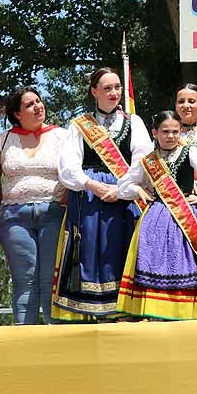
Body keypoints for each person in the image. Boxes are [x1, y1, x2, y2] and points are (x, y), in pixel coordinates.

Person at [54, 67, 153, 321]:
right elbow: (67, 167)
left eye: (117, 87)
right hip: (89, 198)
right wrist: (91, 184)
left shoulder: (135, 122)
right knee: (90, 249)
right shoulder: (79, 125)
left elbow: (142, 161)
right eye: (107, 88)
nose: (114, 93)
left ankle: (126, 311)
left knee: (122, 246)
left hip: (123, 196)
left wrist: (121, 190)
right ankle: (95, 313)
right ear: (94, 91)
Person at [115, 111, 197, 320]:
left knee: (184, 260)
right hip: (156, 217)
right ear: (154, 132)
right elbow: (123, 186)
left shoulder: (191, 152)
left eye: (176, 131)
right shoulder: (147, 160)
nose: (171, 136)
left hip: (186, 214)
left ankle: (184, 309)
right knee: (154, 261)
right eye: (165, 131)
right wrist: (137, 190)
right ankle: (156, 311)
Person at [0, 87, 66, 324]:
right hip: (15, 217)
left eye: (39, 101)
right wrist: (0, 212)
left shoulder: (62, 136)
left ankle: (56, 340)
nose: (38, 106)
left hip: (53, 214)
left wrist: (66, 200)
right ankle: (23, 340)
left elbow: (74, 172)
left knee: (51, 279)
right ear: (17, 113)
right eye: (30, 104)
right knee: (24, 280)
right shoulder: (3, 140)